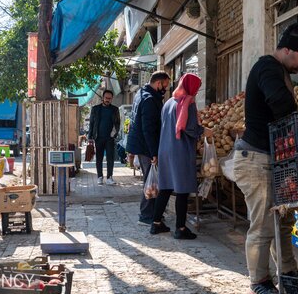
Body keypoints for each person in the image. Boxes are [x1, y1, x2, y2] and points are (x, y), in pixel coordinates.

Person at [227, 22, 298, 294]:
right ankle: (259, 280)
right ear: (288, 49)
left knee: (282, 222)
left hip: (271, 159)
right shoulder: (268, 67)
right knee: (264, 224)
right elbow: (280, 104)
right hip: (256, 159)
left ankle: (288, 273)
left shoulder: (278, 70)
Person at [150, 73, 213, 240]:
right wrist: (204, 131)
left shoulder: (169, 102)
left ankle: (156, 224)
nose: (197, 91)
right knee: (183, 190)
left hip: (165, 149)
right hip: (180, 151)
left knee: (166, 187)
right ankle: (181, 228)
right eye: (197, 87)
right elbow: (190, 127)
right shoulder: (188, 103)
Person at [126, 71, 171, 225]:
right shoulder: (150, 99)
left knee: (150, 180)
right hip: (145, 146)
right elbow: (148, 129)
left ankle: (151, 213)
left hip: (140, 144)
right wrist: (153, 153)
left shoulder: (141, 93)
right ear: (158, 83)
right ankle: (146, 215)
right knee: (150, 181)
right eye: (165, 85)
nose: (166, 89)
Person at [88, 89, 121, 185]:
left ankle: (109, 177)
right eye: (106, 98)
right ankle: (99, 177)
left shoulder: (115, 109)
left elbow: (117, 123)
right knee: (99, 158)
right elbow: (91, 123)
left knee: (110, 158)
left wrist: (113, 134)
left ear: (112, 99)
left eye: (110, 98)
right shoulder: (95, 109)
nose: (108, 100)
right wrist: (90, 137)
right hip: (98, 137)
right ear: (102, 98)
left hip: (110, 138)